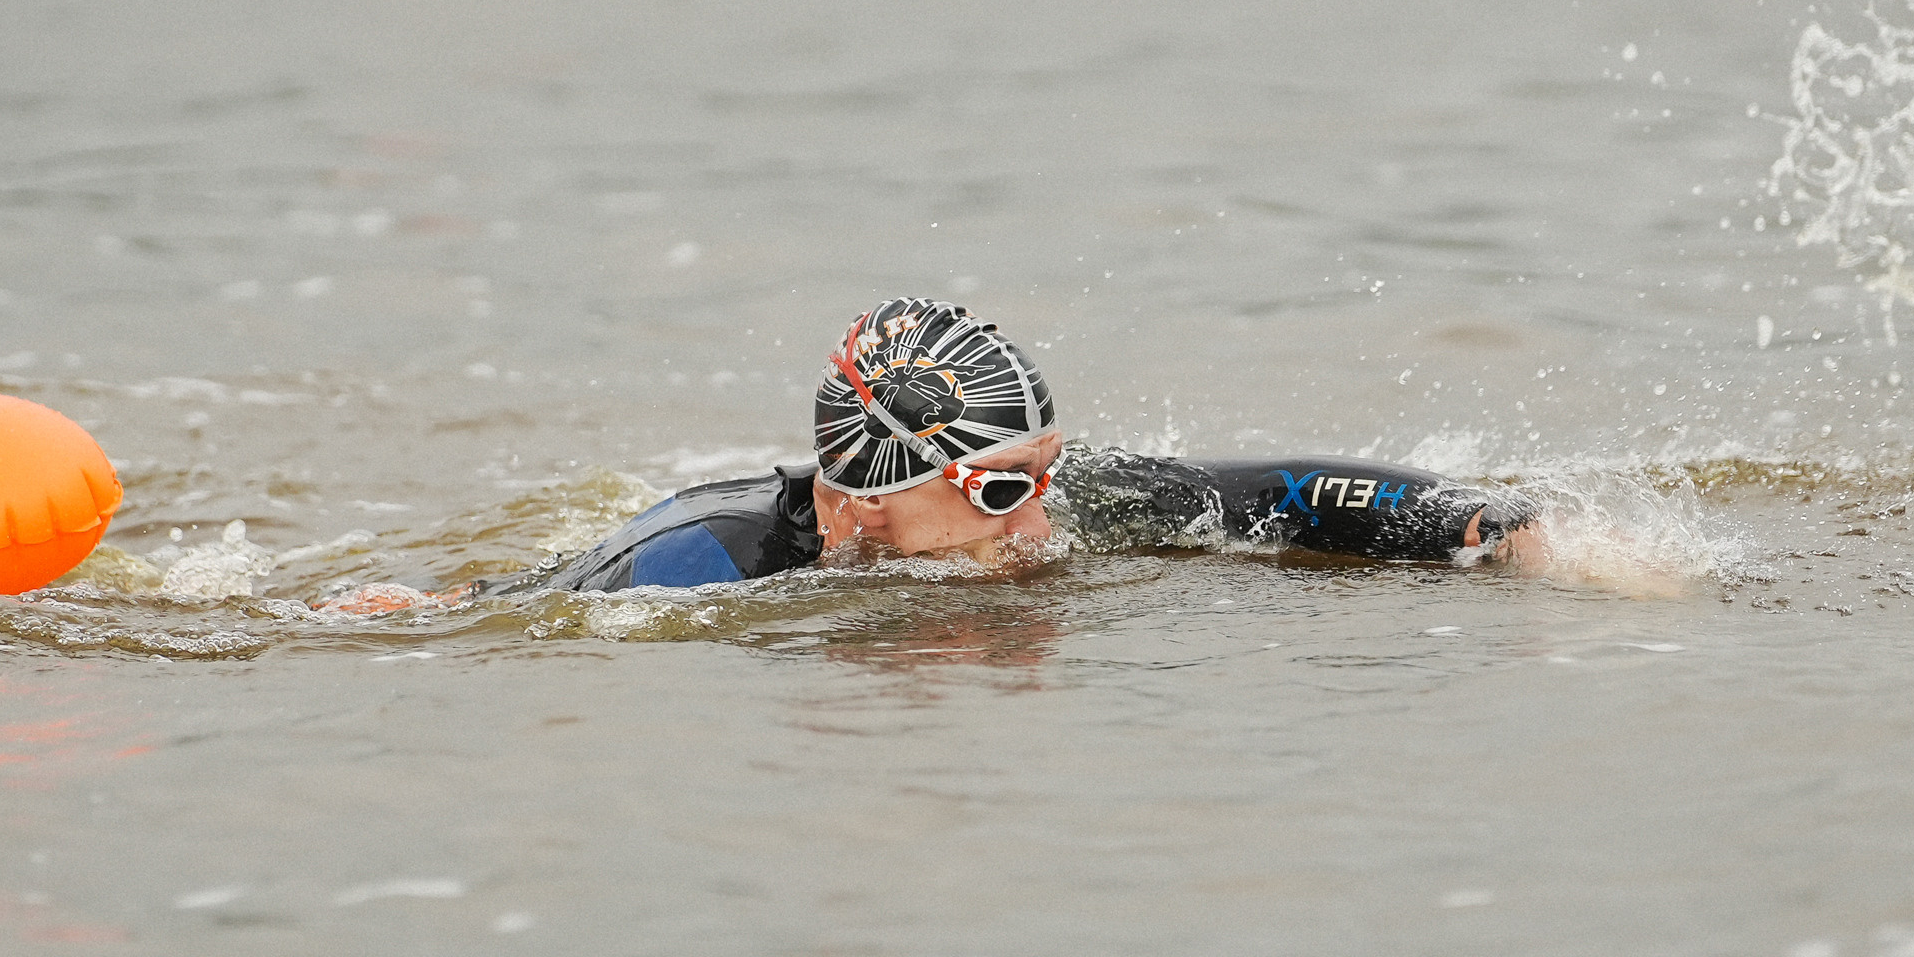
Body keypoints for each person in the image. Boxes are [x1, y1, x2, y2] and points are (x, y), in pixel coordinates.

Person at [536, 297, 1540, 594]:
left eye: (1046, 475)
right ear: (872, 500)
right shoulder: (700, 558)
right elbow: (478, 624)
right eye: (1000, 489)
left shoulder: (1059, 499)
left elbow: (1289, 490)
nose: (1043, 516)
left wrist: (1486, 522)